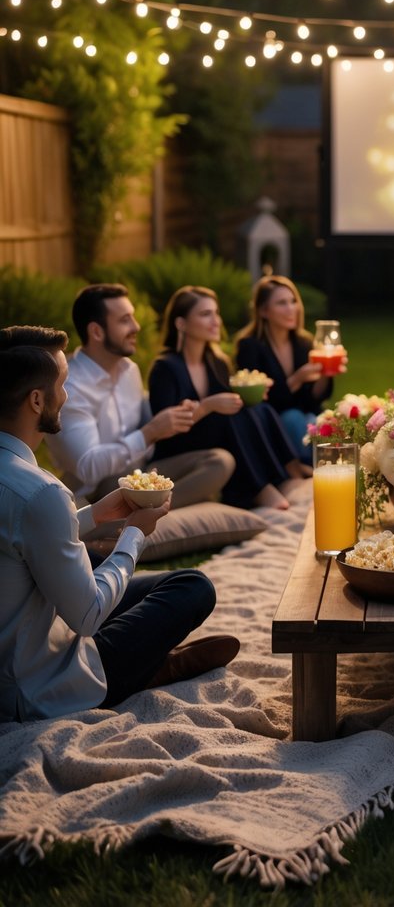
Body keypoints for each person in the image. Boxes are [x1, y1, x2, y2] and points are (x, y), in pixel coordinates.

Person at [0, 325, 239, 723]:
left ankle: (146, 659)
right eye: (62, 384)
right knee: (193, 588)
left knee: (137, 576)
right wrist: (134, 534)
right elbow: (88, 616)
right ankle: (154, 668)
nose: (68, 395)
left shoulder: (24, 486)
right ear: (37, 400)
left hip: (22, 639)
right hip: (42, 686)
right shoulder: (42, 492)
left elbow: (18, 542)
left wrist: (95, 515)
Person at [46, 283, 234, 507]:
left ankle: (154, 512)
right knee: (118, 479)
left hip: (143, 474)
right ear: (96, 331)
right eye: (125, 320)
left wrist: (177, 415)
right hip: (101, 490)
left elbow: (151, 426)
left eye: (133, 318)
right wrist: (150, 433)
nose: (136, 327)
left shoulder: (129, 370)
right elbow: (88, 468)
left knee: (220, 461)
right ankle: (138, 518)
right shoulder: (72, 387)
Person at [147, 286, 309, 511]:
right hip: (178, 448)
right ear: (180, 323)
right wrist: (207, 406)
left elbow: (231, 403)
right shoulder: (165, 368)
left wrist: (250, 394)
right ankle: (257, 491)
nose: (216, 321)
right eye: (205, 314)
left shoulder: (217, 362)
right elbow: (165, 430)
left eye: (216, 313)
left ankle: (285, 475)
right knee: (229, 417)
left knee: (259, 409)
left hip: (212, 436)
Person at [235, 275, 341, 463]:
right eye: (282, 303)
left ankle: (333, 471)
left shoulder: (303, 343)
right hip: (269, 421)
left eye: (293, 301)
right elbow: (259, 399)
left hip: (304, 417)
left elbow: (310, 400)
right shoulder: (250, 347)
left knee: (319, 418)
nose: (291, 308)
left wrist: (325, 375)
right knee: (294, 418)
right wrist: (297, 379)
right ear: (263, 311)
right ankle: (312, 471)